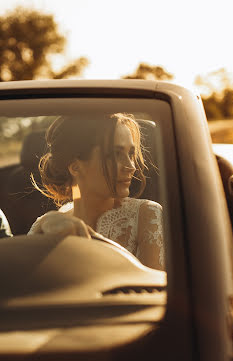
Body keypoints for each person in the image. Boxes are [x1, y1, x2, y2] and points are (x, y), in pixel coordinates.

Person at [29, 113, 164, 270]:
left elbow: (152, 291)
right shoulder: (47, 225)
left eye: (131, 154)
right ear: (75, 167)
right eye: (116, 154)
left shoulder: (146, 215)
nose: (131, 167)